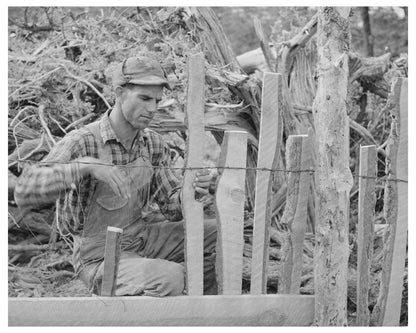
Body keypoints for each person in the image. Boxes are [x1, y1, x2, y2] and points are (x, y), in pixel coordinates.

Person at [14, 56, 217, 296]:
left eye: (156, 100)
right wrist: (85, 166)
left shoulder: (151, 143)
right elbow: (24, 191)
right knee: (169, 277)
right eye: (144, 98)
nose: (152, 108)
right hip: (97, 256)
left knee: (217, 234)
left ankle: (199, 314)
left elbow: (171, 208)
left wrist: (190, 192)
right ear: (120, 93)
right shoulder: (84, 141)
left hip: (141, 238)